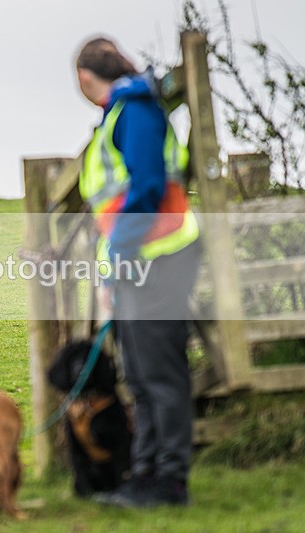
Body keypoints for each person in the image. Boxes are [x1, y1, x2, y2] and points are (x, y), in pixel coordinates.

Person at [74, 37, 201, 507]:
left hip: (159, 257)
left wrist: (123, 249)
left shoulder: (135, 111)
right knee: (142, 378)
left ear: (86, 78)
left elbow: (147, 187)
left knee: (161, 376)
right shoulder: (121, 114)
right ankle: (144, 476)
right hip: (136, 262)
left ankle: (169, 483)